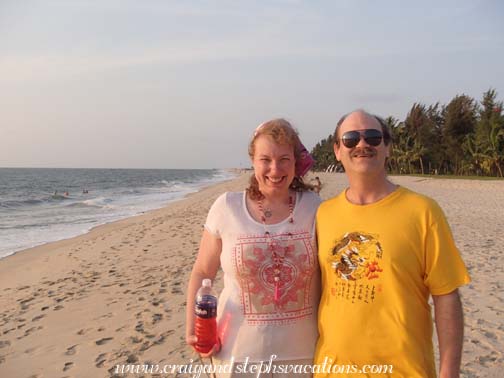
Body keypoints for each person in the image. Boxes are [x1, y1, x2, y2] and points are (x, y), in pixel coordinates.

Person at [314, 110, 471, 377]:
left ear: (387, 148)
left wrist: (449, 372)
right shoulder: (322, 214)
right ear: (338, 150)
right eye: (351, 138)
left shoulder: (422, 211)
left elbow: (446, 297)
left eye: (373, 137)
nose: (362, 144)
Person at [186, 119, 321, 377]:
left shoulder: (315, 207)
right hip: (236, 356)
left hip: (303, 356)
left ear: (295, 161)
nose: (275, 169)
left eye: (284, 159)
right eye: (265, 159)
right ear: (253, 161)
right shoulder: (227, 207)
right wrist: (193, 329)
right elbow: (203, 271)